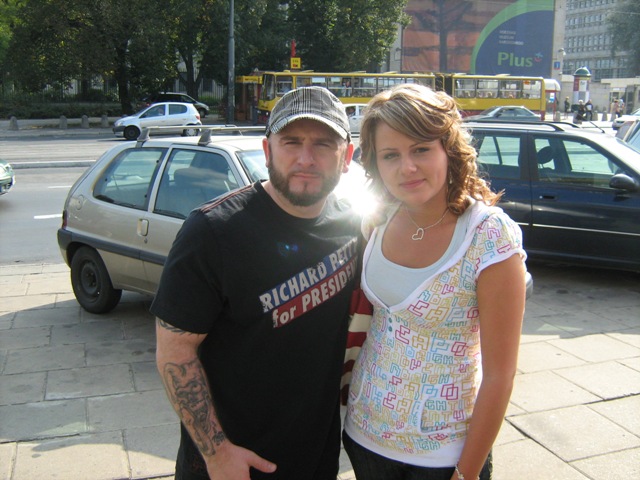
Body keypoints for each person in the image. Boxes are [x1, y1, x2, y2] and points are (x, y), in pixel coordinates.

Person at [152, 86, 360, 480]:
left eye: (323, 144)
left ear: (347, 157)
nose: (306, 158)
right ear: (267, 151)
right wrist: (217, 453)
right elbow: (175, 351)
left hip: (316, 460)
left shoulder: (354, 226)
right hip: (232, 467)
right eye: (291, 142)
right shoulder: (212, 231)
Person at [343, 83, 527, 480]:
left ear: (449, 149)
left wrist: (467, 472)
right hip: (363, 437)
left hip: (441, 456)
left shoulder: (487, 236)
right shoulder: (378, 218)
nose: (407, 167)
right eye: (390, 155)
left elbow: (501, 375)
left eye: (421, 149)